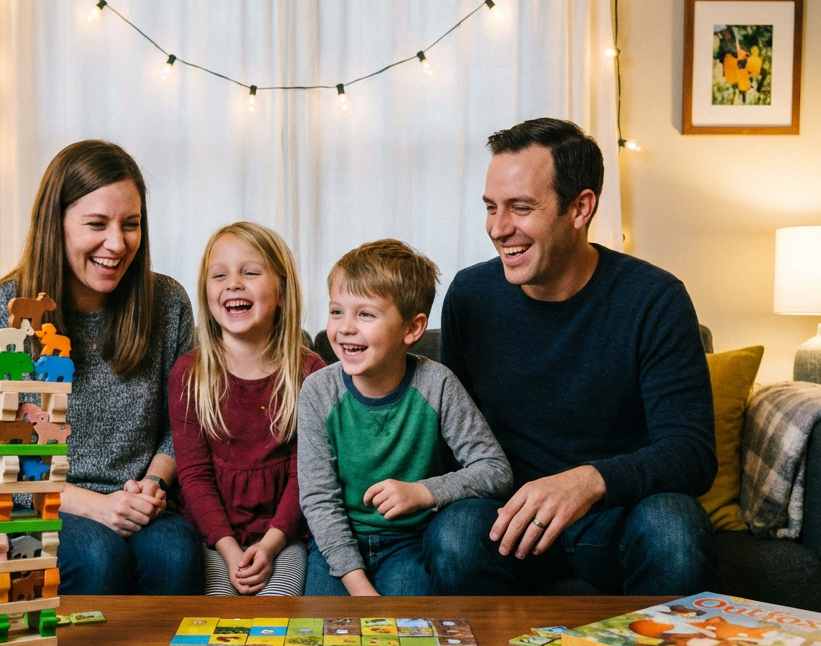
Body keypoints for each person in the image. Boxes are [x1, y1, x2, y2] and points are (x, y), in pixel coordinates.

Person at [428, 117, 718, 596]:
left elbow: (691, 452)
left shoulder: (654, 298)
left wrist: (588, 481)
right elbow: (450, 437)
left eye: (520, 208)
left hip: (613, 517)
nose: (499, 229)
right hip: (507, 519)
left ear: (580, 208)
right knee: (455, 534)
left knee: (675, 530)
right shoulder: (470, 295)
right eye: (491, 208)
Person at [0, 139, 204, 595]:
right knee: (96, 552)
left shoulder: (167, 304)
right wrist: (94, 507)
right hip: (18, 503)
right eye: (96, 224)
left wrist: (150, 486)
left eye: (131, 225)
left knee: (175, 552)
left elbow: (179, 425)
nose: (117, 243)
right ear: (58, 225)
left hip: (133, 501)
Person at [298, 239, 513, 596]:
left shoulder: (437, 384)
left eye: (365, 314)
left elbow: (495, 469)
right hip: (336, 546)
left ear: (412, 329)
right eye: (337, 311)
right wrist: (357, 583)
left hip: (409, 544)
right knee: (322, 643)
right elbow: (319, 499)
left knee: (407, 636)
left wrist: (424, 492)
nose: (345, 327)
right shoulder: (319, 391)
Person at [169, 222, 325, 596]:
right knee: (216, 620)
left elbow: (304, 474)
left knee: (277, 615)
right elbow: (193, 475)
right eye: (219, 275)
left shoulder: (310, 373)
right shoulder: (189, 374)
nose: (233, 283)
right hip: (211, 536)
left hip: (283, 535)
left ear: (282, 292)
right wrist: (226, 548)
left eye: (250, 273)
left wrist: (270, 545)